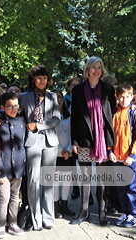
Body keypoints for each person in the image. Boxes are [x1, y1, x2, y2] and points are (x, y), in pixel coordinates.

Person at [70, 56, 116, 226]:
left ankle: (102, 209)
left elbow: (113, 114)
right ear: (87, 70)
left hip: (102, 140)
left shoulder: (108, 89)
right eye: (93, 67)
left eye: (99, 67)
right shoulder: (78, 90)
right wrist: (74, 140)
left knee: (102, 177)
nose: (96, 70)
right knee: (86, 177)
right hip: (83, 139)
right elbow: (74, 116)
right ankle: (84, 210)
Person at [19, 65, 60, 231]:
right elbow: (19, 118)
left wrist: (38, 125)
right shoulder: (24, 97)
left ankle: (48, 217)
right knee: (33, 180)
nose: (42, 81)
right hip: (32, 141)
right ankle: (36, 219)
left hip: (50, 141)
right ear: (33, 79)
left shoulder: (53, 97)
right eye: (38, 78)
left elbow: (56, 119)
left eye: (44, 78)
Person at [108, 83, 136, 228]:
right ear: (116, 97)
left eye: (127, 97)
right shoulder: (113, 112)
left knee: (132, 188)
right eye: (121, 97)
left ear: (131, 97)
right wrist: (110, 151)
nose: (124, 99)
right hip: (117, 157)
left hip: (131, 158)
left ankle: (135, 214)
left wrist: (132, 155)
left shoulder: (134, 112)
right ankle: (125, 212)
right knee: (121, 187)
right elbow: (108, 134)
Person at [0, 92, 26, 238]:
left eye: (16, 105)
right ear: (2, 107)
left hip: (18, 167)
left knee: (15, 197)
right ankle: (1, 225)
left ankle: (12, 223)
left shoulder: (21, 121)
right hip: (4, 168)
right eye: (9, 106)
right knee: (4, 197)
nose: (13, 109)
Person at [51, 89, 75, 218]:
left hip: (68, 153)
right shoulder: (49, 117)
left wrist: (69, 150)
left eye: (59, 97)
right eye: (54, 98)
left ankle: (65, 204)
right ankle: (56, 206)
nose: (58, 100)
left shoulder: (69, 115)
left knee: (66, 180)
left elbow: (73, 134)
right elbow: (51, 135)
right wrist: (60, 150)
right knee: (55, 181)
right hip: (55, 154)